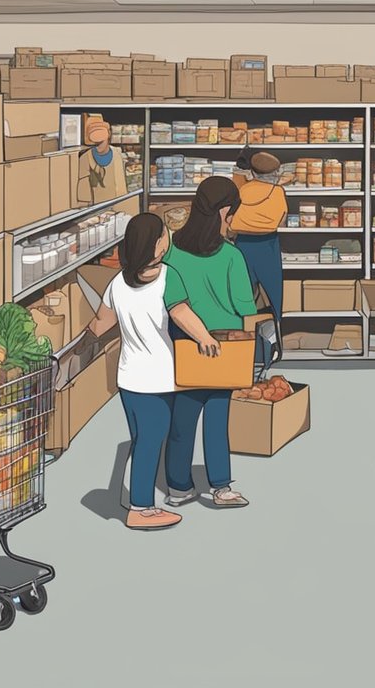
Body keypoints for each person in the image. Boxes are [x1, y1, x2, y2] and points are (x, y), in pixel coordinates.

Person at [84, 213, 220, 531]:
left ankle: (127, 496)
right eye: (164, 233)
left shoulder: (118, 282)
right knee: (151, 441)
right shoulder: (167, 277)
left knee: (140, 438)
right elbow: (182, 313)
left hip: (128, 379)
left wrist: (76, 349)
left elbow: (100, 325)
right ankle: (141, 508)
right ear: (157, 245)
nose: (168, 236)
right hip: (158, 379)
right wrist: (205, 338)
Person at [162, 176, 257, 509]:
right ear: (225, 211)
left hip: (183, 342)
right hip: (226, 346)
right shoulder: (231, 256)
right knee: (218, 419)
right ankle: (221, 487)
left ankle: (178, 487)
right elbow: (246, 307)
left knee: (181, 419)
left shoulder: (171, 249)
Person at [231, 147, 288, 338]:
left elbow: (231, 218)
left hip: (243, 245)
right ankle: (272, 342)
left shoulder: (242, 190)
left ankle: (242, 340)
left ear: (252, 172)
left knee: (242, 295)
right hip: (268, 245)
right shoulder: (278, 191)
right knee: (272, 295)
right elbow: (282, 219)